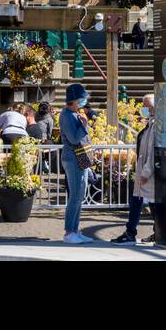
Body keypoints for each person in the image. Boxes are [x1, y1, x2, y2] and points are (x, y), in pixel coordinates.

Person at [111, 93, 157, 245]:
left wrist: (145, 173)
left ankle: (133, 232)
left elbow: (152, 152)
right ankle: (139, 231)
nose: (142, 108)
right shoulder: (150, 123)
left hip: (147, 172)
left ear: (152, 107)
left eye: (145, 105)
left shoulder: (155, 125)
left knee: (146, 201)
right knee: (143, 201)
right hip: (143, 170)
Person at [59, 83, 94, 244]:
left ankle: (74, 230)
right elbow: (73, 138)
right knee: (75, 196)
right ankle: (69, 232)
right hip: (73, 158)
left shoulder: (72, 113)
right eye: (81, 99)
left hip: (77, 158)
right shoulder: (66, 115)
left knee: (79, 195)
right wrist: (84, 125)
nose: (83, 102)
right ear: (73, 100)